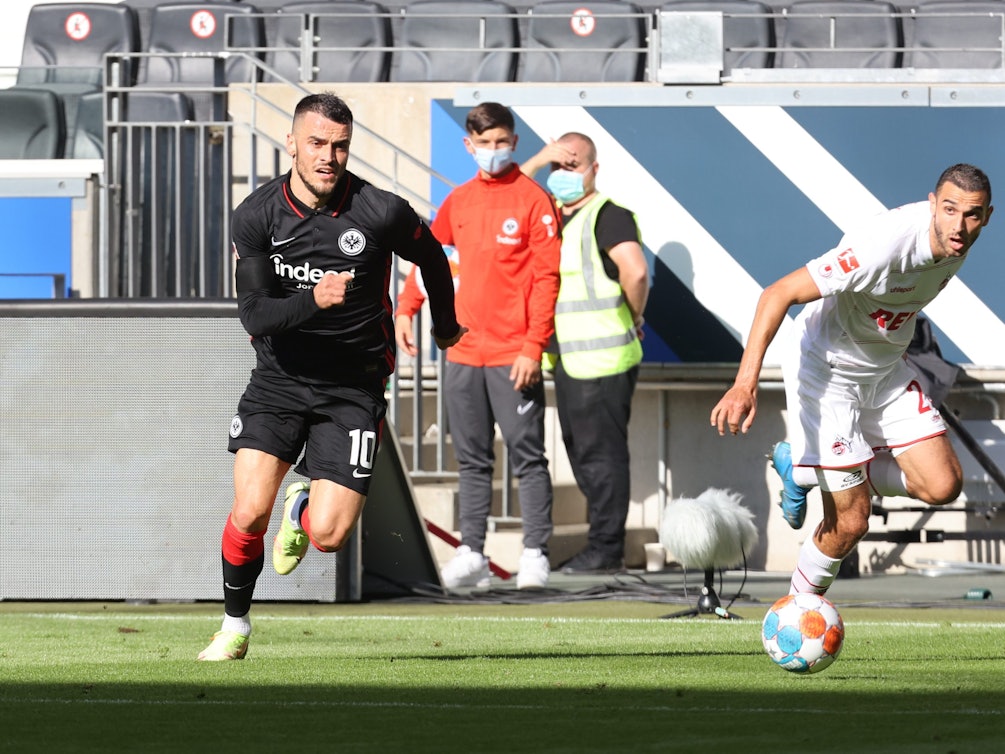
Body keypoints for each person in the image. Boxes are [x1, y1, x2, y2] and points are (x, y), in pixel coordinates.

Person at [197, 92, 464, 661]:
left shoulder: (380, 211)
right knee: (248, 511)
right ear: (291, 143)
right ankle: (234, 626)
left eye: (339, 146)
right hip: (280, 379)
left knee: (329, 536)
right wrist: (315, 300)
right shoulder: (257, 215)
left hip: (354, 387)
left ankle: (303, 507)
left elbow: (435, 257)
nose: (328, 156)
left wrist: (445, 326)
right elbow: (256, 314)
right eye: (316, 143)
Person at [710, 164, 993, 596]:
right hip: (827, 371)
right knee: (851, 520)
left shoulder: (959, 240)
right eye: (949, 209)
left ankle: (804, 469)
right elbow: (776, 294)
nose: (958, 225)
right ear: (932, 204)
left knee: (941, 485)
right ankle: (798, 610)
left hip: (884, 370)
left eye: (971, 214)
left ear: (987, 216)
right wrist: (744, 383)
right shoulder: (882, 246)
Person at [395, 102, 561, 590]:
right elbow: (431, 257)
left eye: (502, 142)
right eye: (484, 144)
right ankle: (473, 553)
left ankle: (535, 553)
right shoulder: (460, 201)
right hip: (463, 351)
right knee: (471, 459)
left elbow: (548, 279)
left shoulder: (534, 201)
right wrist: (405, 307)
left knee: (527, 456)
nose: (494, 151)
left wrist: (534, 346)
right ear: (469, 145)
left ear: (514, 142)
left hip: (514, 353)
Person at [521, 133, 650, 573]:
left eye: (572, 166)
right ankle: (602, 546)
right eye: (558, 167)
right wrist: (538, 160)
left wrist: (635, 318)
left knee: (601, 456)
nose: (563, 175)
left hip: (603, 360)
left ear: (595, 169)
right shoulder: (553, 216)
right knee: (582, 452)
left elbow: (635, 272)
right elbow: (509, 198)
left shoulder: (607, 215)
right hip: (571, 362)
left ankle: (606, 550)